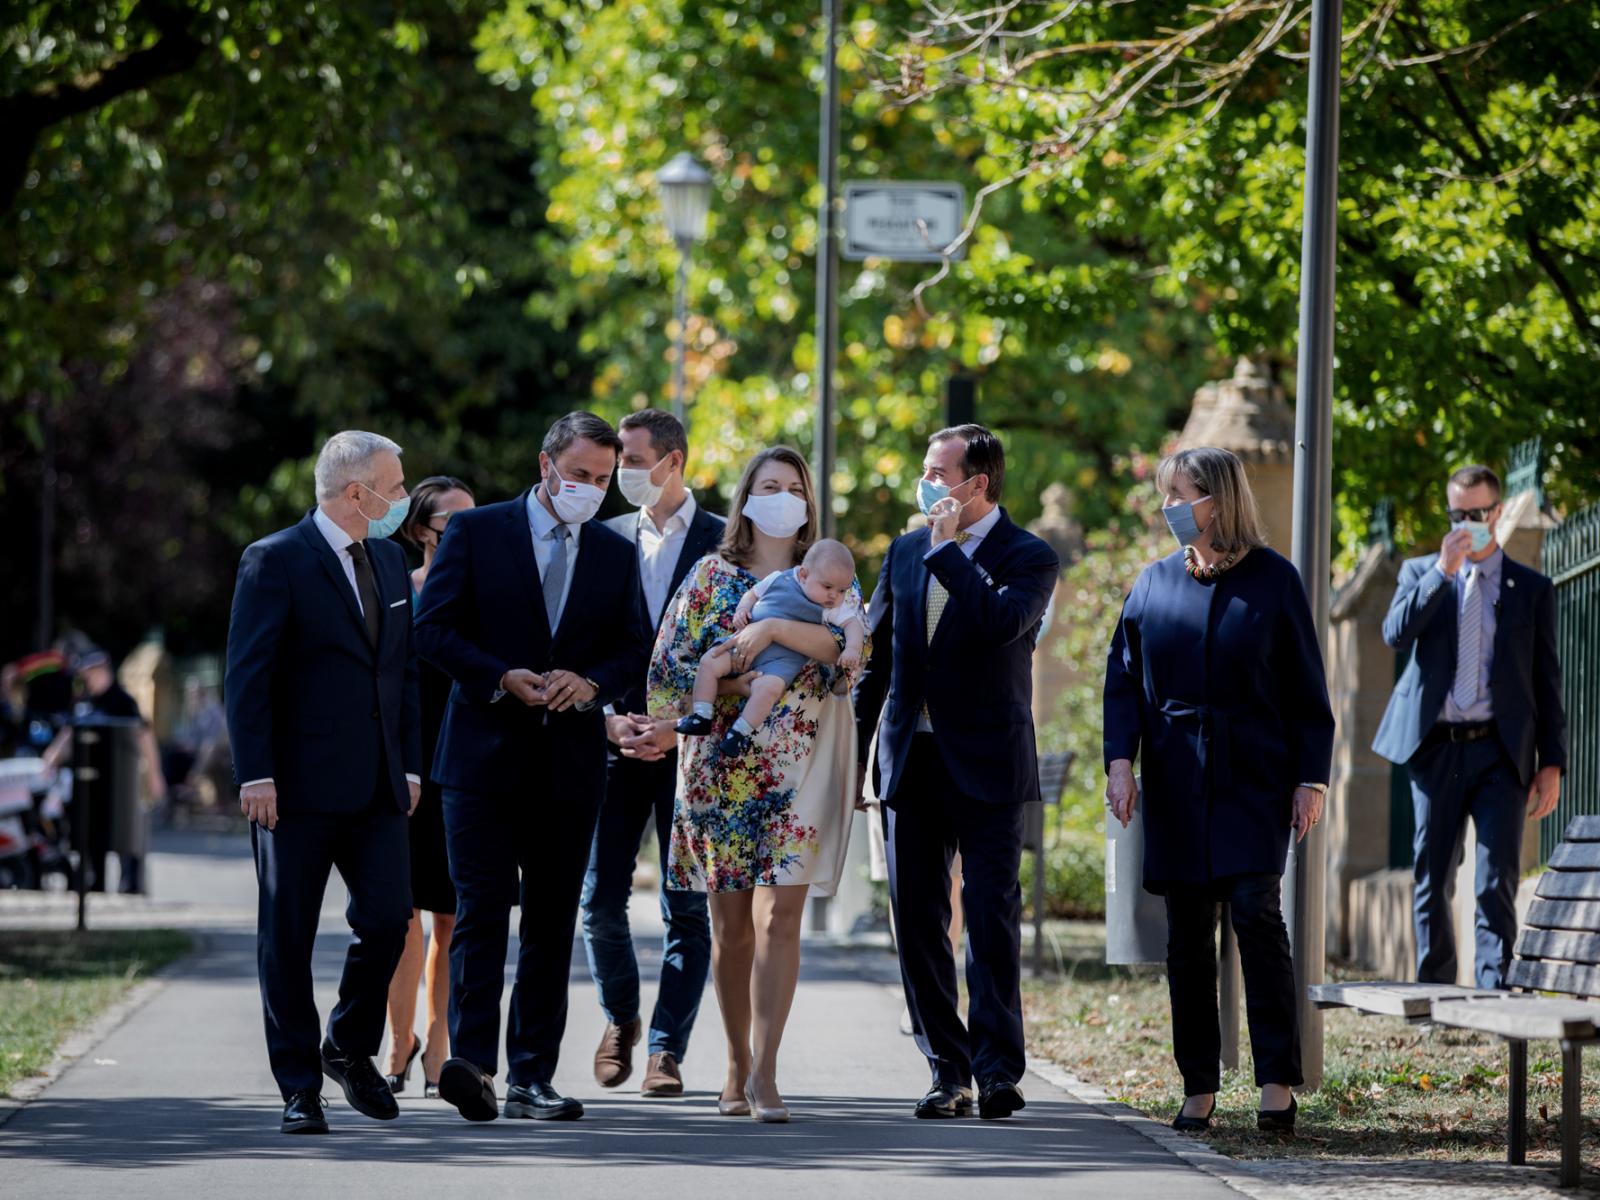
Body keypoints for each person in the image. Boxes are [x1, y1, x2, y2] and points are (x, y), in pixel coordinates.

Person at [415, 411, 651, 1123]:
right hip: (481, 761)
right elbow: (433, 630)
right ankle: (473, 1067)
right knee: (481, 914)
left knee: (549, 924)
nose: (591, 489)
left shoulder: (613, 553)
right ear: (545, 464)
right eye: (580, 475)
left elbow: (634, 645)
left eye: (603, 480)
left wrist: (592, 684)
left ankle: (531, 1079)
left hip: (569, 767)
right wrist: (498, 675)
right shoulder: (477, 532)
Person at [1103, 446, 1333, 1135]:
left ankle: (1276, 1082)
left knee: (1257, 918)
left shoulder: (1275, 581)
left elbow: (1308, 694)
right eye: (1166, 493)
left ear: (1218, 498)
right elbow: (1121, 682)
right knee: (1186, 939)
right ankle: (1198, 1084)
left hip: (1254, 779)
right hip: (1175, 781)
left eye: (1182, 493)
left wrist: (1309, 778)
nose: (1170, 506)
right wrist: (1121, 762)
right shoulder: (1151, 583)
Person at [854, 423, 1058, 1123]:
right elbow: (880, 663)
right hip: (912, 760)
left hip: (992, 763)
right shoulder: (905, 551)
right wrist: (856, 760)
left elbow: (1003, 623)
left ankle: (999, 1071)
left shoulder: (1029, 556)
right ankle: (950, 1070)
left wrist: (950, 556)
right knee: (917, 921)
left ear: (979, 483)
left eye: (940, 473)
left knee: (992, 919)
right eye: (926, 469)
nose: (927, 483)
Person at [649, 445, 860, 1123]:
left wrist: (772, 628)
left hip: (801, 767)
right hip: (722, 769)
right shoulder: (711, 575)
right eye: (768, 486)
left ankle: (766, 1072)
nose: (782, 497)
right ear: (746, 497)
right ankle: (736, 1064)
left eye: (794, 487)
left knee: (783, 919)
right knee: (732, 928)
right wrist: (751, 671)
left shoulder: (833, 575)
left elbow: (849, 662)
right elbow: (672, 675)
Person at [224, 430, 422, 1135]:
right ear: (354, 493)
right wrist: (256, 774)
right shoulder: (274, 560)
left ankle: (346, 1043)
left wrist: (409, 764)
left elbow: (404, 674)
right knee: (288, 938)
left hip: (377, 787)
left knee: (388, 920)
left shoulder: (393, 561)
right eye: (395, 488)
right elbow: (247, 678)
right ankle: (299, 1088)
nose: (404, 500)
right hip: (294, 790)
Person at [1373, 463, 1566, 989]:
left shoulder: (1529, 589)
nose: (1467, 523)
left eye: (1477, 514)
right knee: (1431, 878)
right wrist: (1441, 572)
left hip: (1500, 752)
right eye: (1457, 513)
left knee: (1495, 877)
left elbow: (1546, 681)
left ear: (1497, 513)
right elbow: (1395, 633)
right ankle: (1434, 992)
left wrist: (1551, 763)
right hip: (1435, 747)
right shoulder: (1421, 573)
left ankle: (1494, 991)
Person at [584, 408, 722, 1098]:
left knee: (685, 908)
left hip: (691, 753)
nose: (622, 476)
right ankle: (621, 1018)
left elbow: (736, 656)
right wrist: (607, 717)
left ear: (673, 462)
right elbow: (581, 638)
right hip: (611, 745)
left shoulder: (725, 543)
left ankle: (667, 1048)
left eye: (633, 462)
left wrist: (680, 725)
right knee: (598, 901)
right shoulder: (603, 538)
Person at [383, 475, 476, 1097]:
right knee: (398, 917)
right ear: (421, 531)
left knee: (450, 920)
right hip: (402, 771)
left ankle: (439, 1042)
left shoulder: (489, 597)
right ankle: (399, 1041)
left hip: (465, 771)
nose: (469, 535)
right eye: (453, 524)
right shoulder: (396, 592)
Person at [676, 538, 865, 758]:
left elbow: (853, 625)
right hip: (741, 646)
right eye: (828, 587)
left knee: (769, 689)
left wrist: (852, 648)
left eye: (842, 590)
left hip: (779, 663)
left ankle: (739, 733)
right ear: (803, 575)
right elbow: (752, 594)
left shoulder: (829, 607)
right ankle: (702, 714)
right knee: (709, 661)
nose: (835, 596)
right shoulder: (778, 578)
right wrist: (742, 610)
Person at [42, 645, 167, 893]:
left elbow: (145, 738)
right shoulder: (86, 702)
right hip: (91, 783)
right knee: (90, 838)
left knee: (127, 836)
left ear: (102, 670)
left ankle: (130, 887)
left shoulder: (123, 701)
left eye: (90, 672)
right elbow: (69, 734)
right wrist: (50, 759)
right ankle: (94, 885)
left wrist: (155, 776)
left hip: (121, 784)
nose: (87, 678)